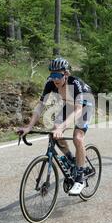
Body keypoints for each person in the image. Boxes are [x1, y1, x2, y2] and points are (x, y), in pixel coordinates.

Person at [18, 57, 93, 195]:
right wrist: (28, 127)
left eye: (58, 75)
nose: (55, 79)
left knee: (77, 137)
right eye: (52, 75)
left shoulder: (74, 83)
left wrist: (62, 127)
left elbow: (78, 110)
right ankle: (72, 160)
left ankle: (80, 178)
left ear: (66, 74)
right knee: (54, 131)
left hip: (84, 106)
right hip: (69, 104)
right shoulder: (50, 83)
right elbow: (40, 106)